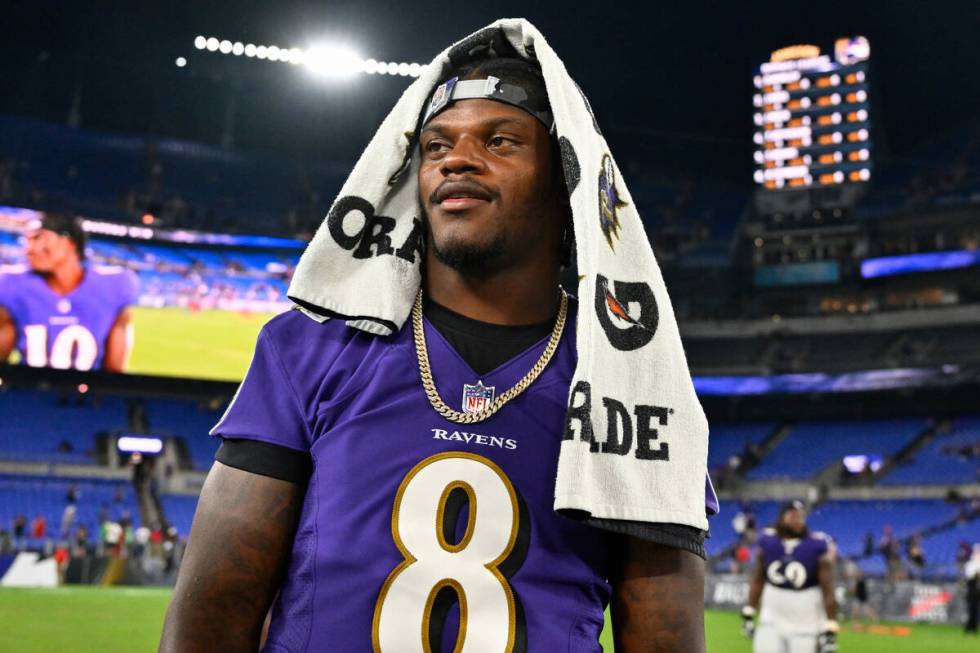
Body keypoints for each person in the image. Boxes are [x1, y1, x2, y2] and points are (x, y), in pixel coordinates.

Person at [161, 43, 713, 652]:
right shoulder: (308, 346)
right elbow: (215, 609)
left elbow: (664, 632)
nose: (458, 161)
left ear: (566, 184)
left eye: (499, 141)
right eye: (437, 146)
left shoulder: (631, 376)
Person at [0, 212, 138, 372]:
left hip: (89, 395)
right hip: (30, 394)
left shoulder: (114, 286)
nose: (29, 250)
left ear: (69, 242)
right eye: (27, 241)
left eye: (38, 238)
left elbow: (115, 371)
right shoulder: (13, 285)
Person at [742, 501, 839, 653]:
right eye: (793, 516)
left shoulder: (817, 544)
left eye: (800, 517)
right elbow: (758, 579)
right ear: (781, 518)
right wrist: (749, 612)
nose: (797, 521)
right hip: (771, 621)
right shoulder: (767, 542)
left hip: (806, 625)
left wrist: (830, 627)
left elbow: (827, 589)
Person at [966, 544, 980, 634]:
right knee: (972, 609)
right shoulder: (970, 563)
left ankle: (973, 627)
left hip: (976, 588)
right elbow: (969, 576)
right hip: (973, 589)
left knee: (975, 609)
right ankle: (971, 627)